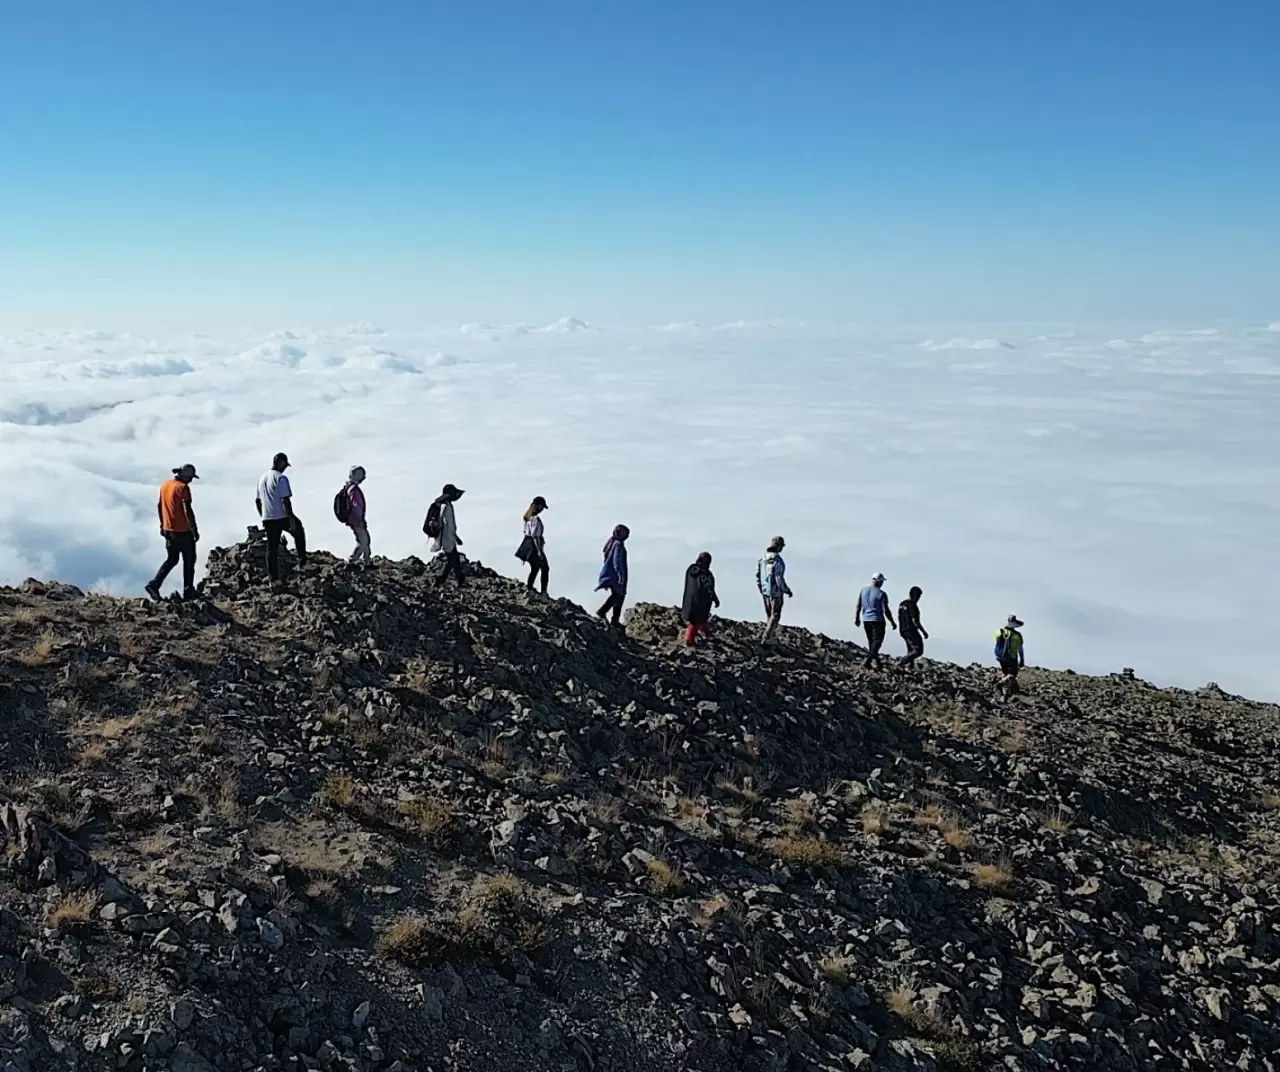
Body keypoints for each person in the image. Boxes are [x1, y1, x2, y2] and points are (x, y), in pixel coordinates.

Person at [145, 464, 200, 601]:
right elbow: (187, 510)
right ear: (185, 476)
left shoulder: (166, 485)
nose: (191, 481)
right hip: (183, 531)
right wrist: (194, 529)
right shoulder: (183, 488)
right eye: (190, 477)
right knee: (189, 560)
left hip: (168, 529)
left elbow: (160, 505)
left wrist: (162, 525)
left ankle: (154, 584)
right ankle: (188, 591)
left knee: (172, 559)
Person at [256, 452, 307, 582]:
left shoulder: (262, 479)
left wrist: (263, 515)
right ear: (281, 463)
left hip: (268, 518)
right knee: (298, 530)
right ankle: (302, 563)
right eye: (285, 465)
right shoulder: (281, 478)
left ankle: (273, 578)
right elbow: (286, 500)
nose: (285, 468)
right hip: (281, 516)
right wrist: (291, 518)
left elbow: (257, 501)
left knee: (272, 547)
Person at [855, 572, 897, 668]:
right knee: (877, 641)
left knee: (872, 642)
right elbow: (886, 610)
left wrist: (857, 618)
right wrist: (892, 622)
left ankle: (876, 662)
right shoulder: (881, 594)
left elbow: (858, 605)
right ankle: (868, 659)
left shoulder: (863, 590)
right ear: (879, 582)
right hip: (878, 620)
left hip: (866, 620)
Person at [756, 536, 793, 644]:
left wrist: (760, 587)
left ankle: (771, 635)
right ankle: (767, 636)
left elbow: (758, 574)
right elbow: (778, 578)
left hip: (765, 590)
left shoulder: (762, 557)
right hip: (775, 591)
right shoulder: (778, 561)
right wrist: (786, 590)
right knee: (775, 615)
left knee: (769, 614)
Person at [428, 484, 465, 585]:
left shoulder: (446, 506)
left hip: (448, 538)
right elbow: (446, 525)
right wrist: (453, 538)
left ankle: (458, 579)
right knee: (452, 560)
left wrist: (456, 538)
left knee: (454, 559)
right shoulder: (446, 507)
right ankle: (441, 579)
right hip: (447, 538)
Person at [681, 551, 720, 646]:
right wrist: (715, 599)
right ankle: (689, 640)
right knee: (696, 622)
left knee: (698, 620)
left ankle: (705, 633)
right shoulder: (706, 574)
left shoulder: (691, 569)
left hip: (690, 601)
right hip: (701, 603)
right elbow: (709, 588)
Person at [595, 524, 630, 628]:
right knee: (618, 595)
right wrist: (620, 574)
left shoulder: (613, 543)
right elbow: (617, 561)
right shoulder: (618, 545)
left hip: (613, 575)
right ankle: (603, 612)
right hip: (616, 576)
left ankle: (614, 619)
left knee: (619, 595)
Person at [517, 496, 550, 594]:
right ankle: (543, 591)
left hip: (527, 544)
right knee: (545, 568)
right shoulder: (535, 519)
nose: (542, 509)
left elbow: (526, 532)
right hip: (534, 546)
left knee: (535, 568)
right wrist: (539, 551)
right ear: (538, 506)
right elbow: (535, 536)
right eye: (542, 506)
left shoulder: (527, 517)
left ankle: (530, 588)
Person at [343, 466, 371, 568]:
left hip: (354, 520)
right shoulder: (354, 490)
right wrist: (361, 519)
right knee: (363, 542)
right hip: (356, 521)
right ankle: (351, 561)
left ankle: (367, 562)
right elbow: (356, 506)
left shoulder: (349, 488)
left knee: (366, 540)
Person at [994, 615, 1026, 697]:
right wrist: (1022, 659)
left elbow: (996, 640)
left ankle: (1004, 693)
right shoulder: (1017, 636)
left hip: (999, 656)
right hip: (1011, 657)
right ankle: (1000, 684)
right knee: (1012, 674)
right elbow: (1020, 649)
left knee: (1005, 672)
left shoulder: (999, 631)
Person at [898, 586, 928, 667]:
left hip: (902, 630)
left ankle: (910, 667)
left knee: (910, 649)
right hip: (911, 630)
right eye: (918, 596)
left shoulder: (902, 604)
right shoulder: (913, 606)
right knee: (918, 650)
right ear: (914, 595)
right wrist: (923, 632)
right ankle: (901, 662)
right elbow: (915, 621)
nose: (918, 598)